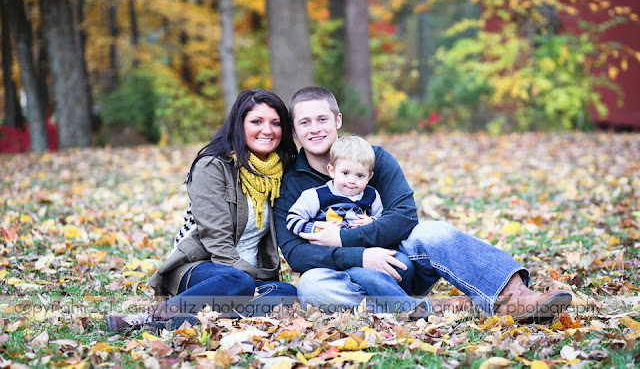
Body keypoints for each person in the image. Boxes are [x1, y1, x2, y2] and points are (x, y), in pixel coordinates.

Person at [273, 86, 572, 321]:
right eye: (305, 122)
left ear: (337, 120)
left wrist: (344, 237)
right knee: (311, 287)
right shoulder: (291, 183)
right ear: (295, 130)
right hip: (346, 279)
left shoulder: (374, 158)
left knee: (433, 232)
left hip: (400, 265)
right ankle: (420, 309)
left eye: (322, 119)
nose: (315, 128)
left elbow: (404, 217)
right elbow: (297, 254)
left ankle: (513, 296)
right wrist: (360, 256)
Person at [106, 89, 299, 332]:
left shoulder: (277, 172)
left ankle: (198, 321)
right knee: (238, 281)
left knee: (289, 293)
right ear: (239, 125)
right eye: (257, 122)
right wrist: (251, 280)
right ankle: (153, 316)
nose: (267, 130)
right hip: (202, 268)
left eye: (276, 123)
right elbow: (216, 241)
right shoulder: (213, 166)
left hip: (250, 277)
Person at [286, 135, 415, 297]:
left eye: (360, 176)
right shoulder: (316, 196)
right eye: (345, 173)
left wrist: (371, 222)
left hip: (365, 255)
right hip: (329, 259)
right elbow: (292, 219)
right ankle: (405, 305)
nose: (352, 181)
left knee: (400, 267)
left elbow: (382, 218)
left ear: (369, 177)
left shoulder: (371, 195)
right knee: (366, 279)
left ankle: (393, 301)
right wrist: (315, 230)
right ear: (331, 171)